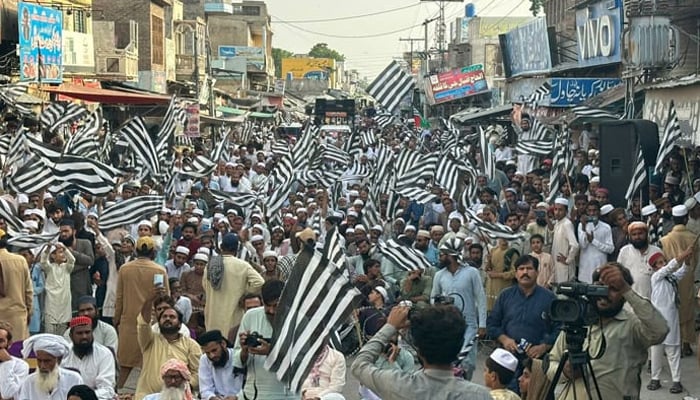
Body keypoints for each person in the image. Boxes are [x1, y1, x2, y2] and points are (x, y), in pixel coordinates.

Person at [546, 262, 669, 399]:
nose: (605, 294)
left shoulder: (632, 325)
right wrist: (564, 370)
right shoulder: (576, 322)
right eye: (600, 287)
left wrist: (627, 290)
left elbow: (660, 331)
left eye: (614, 288)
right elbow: (551, 364)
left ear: (623, 295)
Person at [351, 305, 492, 399]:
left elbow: (359, 365)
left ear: (417, 348)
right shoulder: (478, 395)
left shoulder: (400, 386)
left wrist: (390, 326)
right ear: (460, 345)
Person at [487, 255, 558, 392]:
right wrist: (505, 339)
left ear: (537, 272)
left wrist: (543, 346)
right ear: (516, 273)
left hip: (535, 364)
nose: (525, 272)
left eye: (529, 268)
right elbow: (492, 324)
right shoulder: (505, 296)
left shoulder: (549, 298)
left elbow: (559, 328)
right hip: (508, 361)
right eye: (521, 269)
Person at [114, 236, 171, 389]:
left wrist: (116, 319)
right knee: (151, 362)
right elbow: (165, 299)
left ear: (136, 250)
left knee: (125, 365)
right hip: (151, 323)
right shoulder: (159, 270)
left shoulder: (125, 269)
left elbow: (119, 298)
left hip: (129, 322)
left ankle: (118, 392)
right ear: (153, 252)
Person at [431, 238, 487, 380]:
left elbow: (481, 298)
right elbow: (432, 299)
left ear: (451, 255)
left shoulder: (472, 272)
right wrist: (440, 303)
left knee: (466, 363)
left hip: (469, 325)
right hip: (447, 325)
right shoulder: (439, 275)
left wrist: (482, 325)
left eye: (443, 254)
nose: (440, 257)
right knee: (449, 363)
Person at [233, 280, 297, 399]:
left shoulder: (297, 319)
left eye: (276, 306)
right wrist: (244, 351)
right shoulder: (250, 316)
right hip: (254, 393)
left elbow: (303, 361)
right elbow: (237, 360)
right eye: (268, 305)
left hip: (288, 394)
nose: (271, 311)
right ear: (262, 301)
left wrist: (271, 352)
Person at [135, 291, 200, 400]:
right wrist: (149, 300)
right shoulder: (149, 340)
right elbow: (143, 323)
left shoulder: (191, 345)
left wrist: (182, 385)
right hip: (146, 395)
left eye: (172, 317)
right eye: (164, 317)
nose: (168, 319)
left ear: (180, 324)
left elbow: (197, 373)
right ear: (159, 322)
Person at [646, 246, 693, 393]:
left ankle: (676, 381)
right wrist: (681, 255)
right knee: (656, 352)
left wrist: (687, 260)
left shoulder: (671, 278)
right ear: (654, 268)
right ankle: (655, 378)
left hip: (671, 319)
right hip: (657, 320)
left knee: (673, 351)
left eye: (663, 261)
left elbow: (683, 271)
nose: (663, 264)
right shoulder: (656, 277)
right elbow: (669, 268)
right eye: (659, 263)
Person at [203, 233, 264, 335]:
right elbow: (260, 282)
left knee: (213, 342)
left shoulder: (210, 265)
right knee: (231, 341)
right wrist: (244, 294)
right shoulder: (242, 265)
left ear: (221, 247)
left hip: (213, 313)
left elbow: (205, 286)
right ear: (237, 249)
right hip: (233, 313)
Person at [659, 204, 699, 357]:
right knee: (687, 308)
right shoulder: (693, 238)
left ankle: (673, 342)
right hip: (687, 276)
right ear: (686, 218)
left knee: (672, 309)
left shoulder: (665, 239)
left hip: (671, 277)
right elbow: (695, 259)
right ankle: (686, 344)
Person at [61, 316, 116, 400]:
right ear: (71, 336)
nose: (84, 336)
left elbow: (107, 389)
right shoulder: (63, 355)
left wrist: (84, 397)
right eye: (79, 333)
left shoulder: (104, 354)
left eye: (87, 332)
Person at [18, 334, 84, 400]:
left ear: (59, 360)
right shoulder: (29, 382)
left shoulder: (74, 380)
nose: (42, 366)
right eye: (39, 360)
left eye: (47, 361)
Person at [0, 230, 33, 341]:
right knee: (17, 353)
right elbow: (28, 290)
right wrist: (29, 312)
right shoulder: (20, 260)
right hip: (17, 315)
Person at [616, 222, 661, 301]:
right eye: (634, 234)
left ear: (646, 234)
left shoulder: (656, 251)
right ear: (630, 237)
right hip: (630, 303)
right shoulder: (624, 252)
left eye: (640, 233)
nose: (637, 237)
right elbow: (619, 275)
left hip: (653, 301)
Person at [41, 242, 75, 335]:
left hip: (64, 305)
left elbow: (72, 260)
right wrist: (48, 249)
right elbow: (43, 262)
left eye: (63, 252)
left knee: (63, 335)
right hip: (52, 304)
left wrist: (65, 248)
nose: (63, 254)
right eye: (60, 252)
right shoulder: (50, 268)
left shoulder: (67, 268)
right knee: (50, 334)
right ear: (53, 256)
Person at [197, 330, 243, 399]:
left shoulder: (237, 356)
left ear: (223, 344)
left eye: (214, 350)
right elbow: (205, 389)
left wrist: (237, 397)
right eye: (208, 353)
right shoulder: (204, 359)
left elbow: (249, 387)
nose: (212, 356)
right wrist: (212, 398)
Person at [576, 200, 614, 283]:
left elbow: (611, 249)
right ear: (586, 212)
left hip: (600, 268)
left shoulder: (606, 227)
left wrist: (593, 241)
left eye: (594, 210)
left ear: (599, 212)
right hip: (585, 270)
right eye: (589, 211)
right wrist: (583, 227)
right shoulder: (581, 225)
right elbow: (582, 245)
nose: (592, 213)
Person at [548, 198, 579, 283]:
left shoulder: (567, 224)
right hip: (556, 264)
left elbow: (575, 245)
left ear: (566, 211)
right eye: (556, 209)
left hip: (564, 266)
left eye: (560, 210)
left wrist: (568, 259)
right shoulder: (558, 223)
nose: (557, 212)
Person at [0, 321, 29, 400]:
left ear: (9, 344)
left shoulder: (20, 366)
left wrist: (7, 362)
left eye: (0, 341)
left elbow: (7, 394)